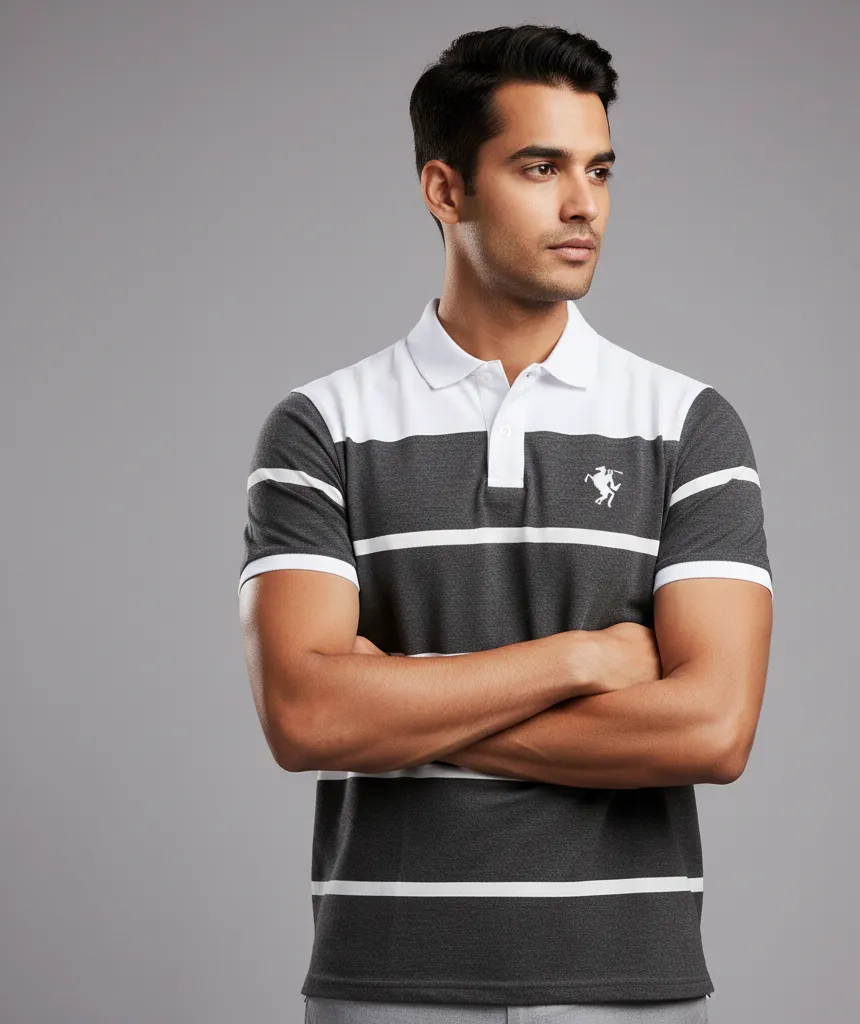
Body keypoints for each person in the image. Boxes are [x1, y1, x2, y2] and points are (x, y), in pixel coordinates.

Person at [237, 22, 773, 1024]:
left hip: (630, 990)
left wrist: (403, 704)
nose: (583, 205)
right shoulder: (321, 426)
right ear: (446, 190)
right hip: (385, 988)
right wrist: (580, 659)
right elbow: (306, 718)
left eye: (598, 170)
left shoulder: (688, 424)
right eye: (540, 167)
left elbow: (712, 729)